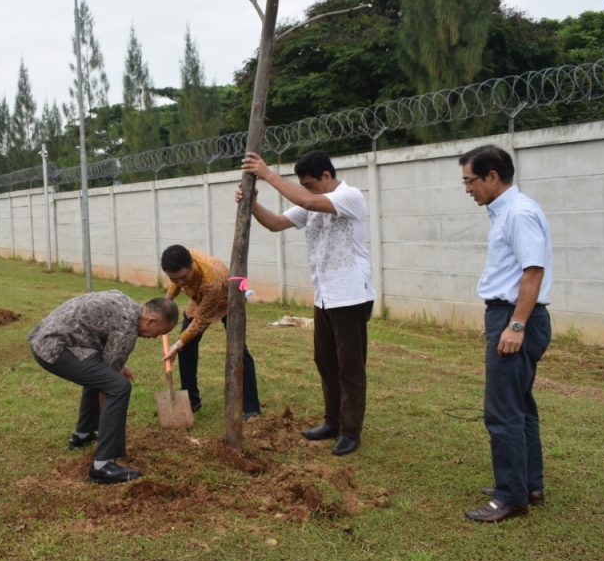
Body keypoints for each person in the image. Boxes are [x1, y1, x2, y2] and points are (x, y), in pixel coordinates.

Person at [238, 149, 375, 456]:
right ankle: (332, 422)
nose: (307, 189)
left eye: (310, 183)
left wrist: (268, 173)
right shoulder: (311, 203)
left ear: (327, 176)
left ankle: (350, 431)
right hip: (325, 297)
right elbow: (275, 223)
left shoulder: (349, 196)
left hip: (351, 296)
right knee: (325, 362)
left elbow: (308, 200)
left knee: (349, 367)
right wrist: (251, 202)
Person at [459, 145, 552, 523]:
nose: (468, 189)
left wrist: (514, 324)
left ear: (493, 176)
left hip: (518, 319)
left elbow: (532, 272)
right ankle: (529, 483)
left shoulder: (519, 212)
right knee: (520, 407)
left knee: (501, 412)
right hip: (511, 315)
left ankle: (510, 496)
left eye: (470, 181)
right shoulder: (506, 211)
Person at [28, 290, 178, 484]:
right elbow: (107, 389)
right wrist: (110, 427)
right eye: (159, 332)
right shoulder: (127, 329)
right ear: (151, 320)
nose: (155, 337)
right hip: (54, 349)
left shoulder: (125, 301)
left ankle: (83, 435)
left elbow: (104, 344)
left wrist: (117, 367)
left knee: (104, 376)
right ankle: (103, 464)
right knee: (119, 387)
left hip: (45, 338)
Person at [160, 244, 262, 420]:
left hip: (228, 299)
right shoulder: (183, 262)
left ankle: (251, 408)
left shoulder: (211, 282)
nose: (180, 282)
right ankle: (192, 402)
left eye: (183, 277)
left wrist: (176, 345)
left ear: (191, 265)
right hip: (200, 298)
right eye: (175, 278)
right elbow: (176, 283)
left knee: (239, 351)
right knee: (186, 349)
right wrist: (165, 303)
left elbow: (200, 321)